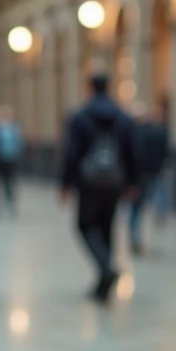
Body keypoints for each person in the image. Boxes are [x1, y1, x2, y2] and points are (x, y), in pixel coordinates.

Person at [60, 73, 138, 303]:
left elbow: (71, 153)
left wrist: (66, 183)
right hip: (115, 181)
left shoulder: (80, 117)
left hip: (89, 182)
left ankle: (105, 269)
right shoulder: (122, 117)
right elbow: (132, 151)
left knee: (84, 225)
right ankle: (103, 279)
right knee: (107, 227)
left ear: (90, 88)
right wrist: (133, 182)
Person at [128, 99, 170, 255]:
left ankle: (134, 236)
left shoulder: (135, 134)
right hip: (152, 172)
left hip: (139, 175)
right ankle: (158, 213)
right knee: (146, 201)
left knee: (135, 207)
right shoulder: (156, 131)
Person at [0, 105, 23, 211]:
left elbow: (18, 144)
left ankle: (10, 200)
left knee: (10, 181)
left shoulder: (14, 129)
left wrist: (17, 155)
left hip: (11, 158)